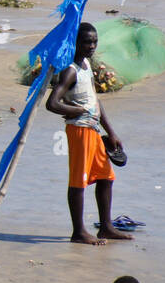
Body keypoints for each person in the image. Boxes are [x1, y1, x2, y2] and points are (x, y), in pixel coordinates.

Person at [45, 22, 131, 245]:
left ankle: (106, 227)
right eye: (87, 42)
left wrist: (110, 131)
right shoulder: (70, 70)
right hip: (79, 130)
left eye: (94, 42)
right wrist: (78, 110)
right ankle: (79, 232)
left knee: (106, 177)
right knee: (78, 181)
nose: (92, 46)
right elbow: (52, 103)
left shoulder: (85, 64)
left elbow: (95, 99)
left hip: (93, 130)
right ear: (75, 43)